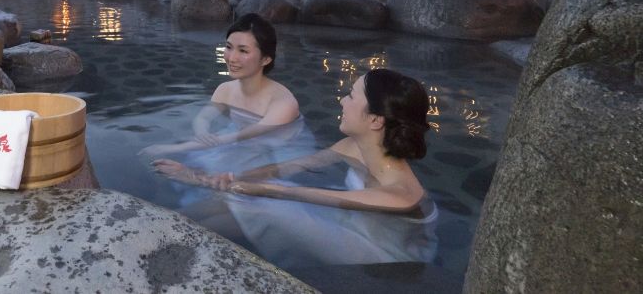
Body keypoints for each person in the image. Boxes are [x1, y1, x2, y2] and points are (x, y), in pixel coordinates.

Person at [153, 68, 438, 267]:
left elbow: (292, 194)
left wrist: (199, 179)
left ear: (375, 120)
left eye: (351, 96)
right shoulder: (352, 146)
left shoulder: (399, 194)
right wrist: (229, 178)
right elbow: (282, 169)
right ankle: (161, 226)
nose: (342, 100)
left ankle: (164, 241)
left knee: (269, 206)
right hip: (353, 220)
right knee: (254, 195)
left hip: (383, 255)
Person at [139, 12, 301, 160]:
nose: (232, 58)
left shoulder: (283, 103)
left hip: (276, 154)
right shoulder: (225, 90)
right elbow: (203, 118)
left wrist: (173, 148)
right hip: (238, 142)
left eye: (243, 51)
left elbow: (243, 136)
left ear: (265, 59)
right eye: (229, 47)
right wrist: (202, 133)